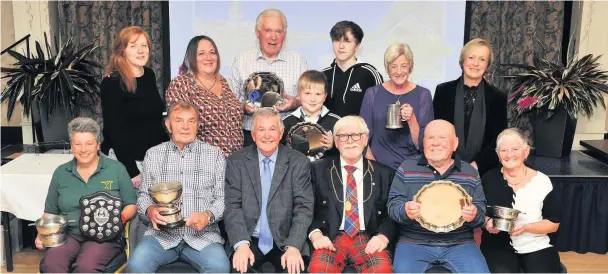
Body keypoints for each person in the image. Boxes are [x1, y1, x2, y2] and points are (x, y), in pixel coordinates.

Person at [126, 101, 230, 273]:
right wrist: (149, 210)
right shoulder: (153, 155)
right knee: (136, 266)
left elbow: (222, 199)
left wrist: (208, 215)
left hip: (202, 236)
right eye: (179, 121)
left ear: (198, 125)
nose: (185, 126)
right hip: (160, 237)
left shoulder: (215, 155)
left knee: (220, 267)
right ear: (168, 124)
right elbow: (143, 196)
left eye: (191, 121)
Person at [387, 119, 489, 273]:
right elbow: (393, 205)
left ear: (455, 143)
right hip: (414, 243)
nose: (435, 143)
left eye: (442, 138)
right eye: (430, 138)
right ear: (423, 142)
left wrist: (474, 214)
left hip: (460, 243)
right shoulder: (406, 168)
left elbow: (481, 210)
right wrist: (404, 210)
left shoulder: (469, 172)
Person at [38, 117, 137, 273]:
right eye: (78, 144)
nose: (83, 149)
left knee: (86, 266)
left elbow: (131, 204)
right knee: (51, 263)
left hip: (105, 237)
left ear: (98, 145)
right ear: (71, 146)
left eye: (89, 143)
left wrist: (118, 220)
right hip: (70, 234)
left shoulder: (116, 169)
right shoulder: (61, 173)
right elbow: (50, 212)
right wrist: (41, 234)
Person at [224, 107, 314, 273]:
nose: (267, 135)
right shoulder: (236, 162)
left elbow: (303, 208)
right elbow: (232, 207)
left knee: (296, 270)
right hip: (249, 238)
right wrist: (241, 244)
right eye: (261, 129)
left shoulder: (298, 162)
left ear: (280, 134)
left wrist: (294, 246)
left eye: (272, 129)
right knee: (238, 269)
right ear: (253, 135)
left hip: (286, 239)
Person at [307, 116, 396, 273]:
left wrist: (383, 236)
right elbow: (305, 207)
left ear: (365, 138)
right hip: (330, 237)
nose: (350, 141)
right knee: (319, 269)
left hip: (368, 238)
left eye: (356, 135)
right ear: (335, 140)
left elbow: (393, 213)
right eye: (342, 136)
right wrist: (316, 235)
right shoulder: (317, 170)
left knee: (380, 269)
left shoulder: (384, 173)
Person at [481, 128, 561, 273]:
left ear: (526, 151)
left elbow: (553, 223)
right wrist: (488, 223)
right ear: (498, 154)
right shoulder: (488, 179)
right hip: (498, 246)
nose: (509, 154)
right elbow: (480, 212)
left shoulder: (542, 181)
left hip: (536, 245)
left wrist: (526, 228)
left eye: (515, 149)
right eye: (504, 150)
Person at [101, 26, 169, 188]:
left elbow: (153, 122)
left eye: (144, 46)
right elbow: (114, 131)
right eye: (133, 46)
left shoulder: (149, 75)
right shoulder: (111, 83)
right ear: (122, 50)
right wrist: (131, 170)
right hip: (124, 163)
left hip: (149, 160)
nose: (140, 51)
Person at [228, 8, 308, 147]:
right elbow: (230, 102)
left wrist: (295, 103)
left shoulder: (298, 61)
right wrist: (244, 107)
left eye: (278, 31)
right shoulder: (241, 61)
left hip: (287, 137)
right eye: (268, 31)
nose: (273, 37)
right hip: (249, 137)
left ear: (285, 34)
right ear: (257, 33)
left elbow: (308, 100)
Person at [433, 38, 508, 175]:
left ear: (487, 65)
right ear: (462, 61)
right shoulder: (443, 91)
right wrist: (450, 164)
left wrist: (475, 166)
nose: (475, 63)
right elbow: (436, 133)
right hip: (445, 168)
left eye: (482, 59)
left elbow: (499, 140)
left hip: (484, 171)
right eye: (471, 57)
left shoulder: (498, 97)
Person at [360, 43, 434, 171]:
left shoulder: (423, 94)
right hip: (378, 166)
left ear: (410, 67)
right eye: (393, 67)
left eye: (404, 66)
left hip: (412, 169)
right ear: (387, 68)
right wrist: (374, 166)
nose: (399, 72)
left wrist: (411, 119)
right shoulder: (372, 93)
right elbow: (362, 135)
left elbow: (423, 144)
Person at [165, 35, 243, 156]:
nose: (208, 57)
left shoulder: (223, 82)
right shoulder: (181, 84)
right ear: (191, 58)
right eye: (201, 53)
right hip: (201, 164)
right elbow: (177, 129)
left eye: (212, 52)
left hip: (235, 164)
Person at [322, 21, 384, 117]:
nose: (341, 46)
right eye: (337, 40)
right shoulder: (323, 75)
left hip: (360, 131)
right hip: (329, 132)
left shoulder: (369, 73)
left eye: (347, 41)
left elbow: (381, 109)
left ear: (357, 46)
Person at [281, 70, 340, 160]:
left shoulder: (337, 122)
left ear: (325, 97)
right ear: (299, 95)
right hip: (295, 172)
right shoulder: (286, 122)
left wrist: (334, 145)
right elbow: (280, 152)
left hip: (325, 172)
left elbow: (347, 152)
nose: (313, 99)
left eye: (318, 94)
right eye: (307, 93)